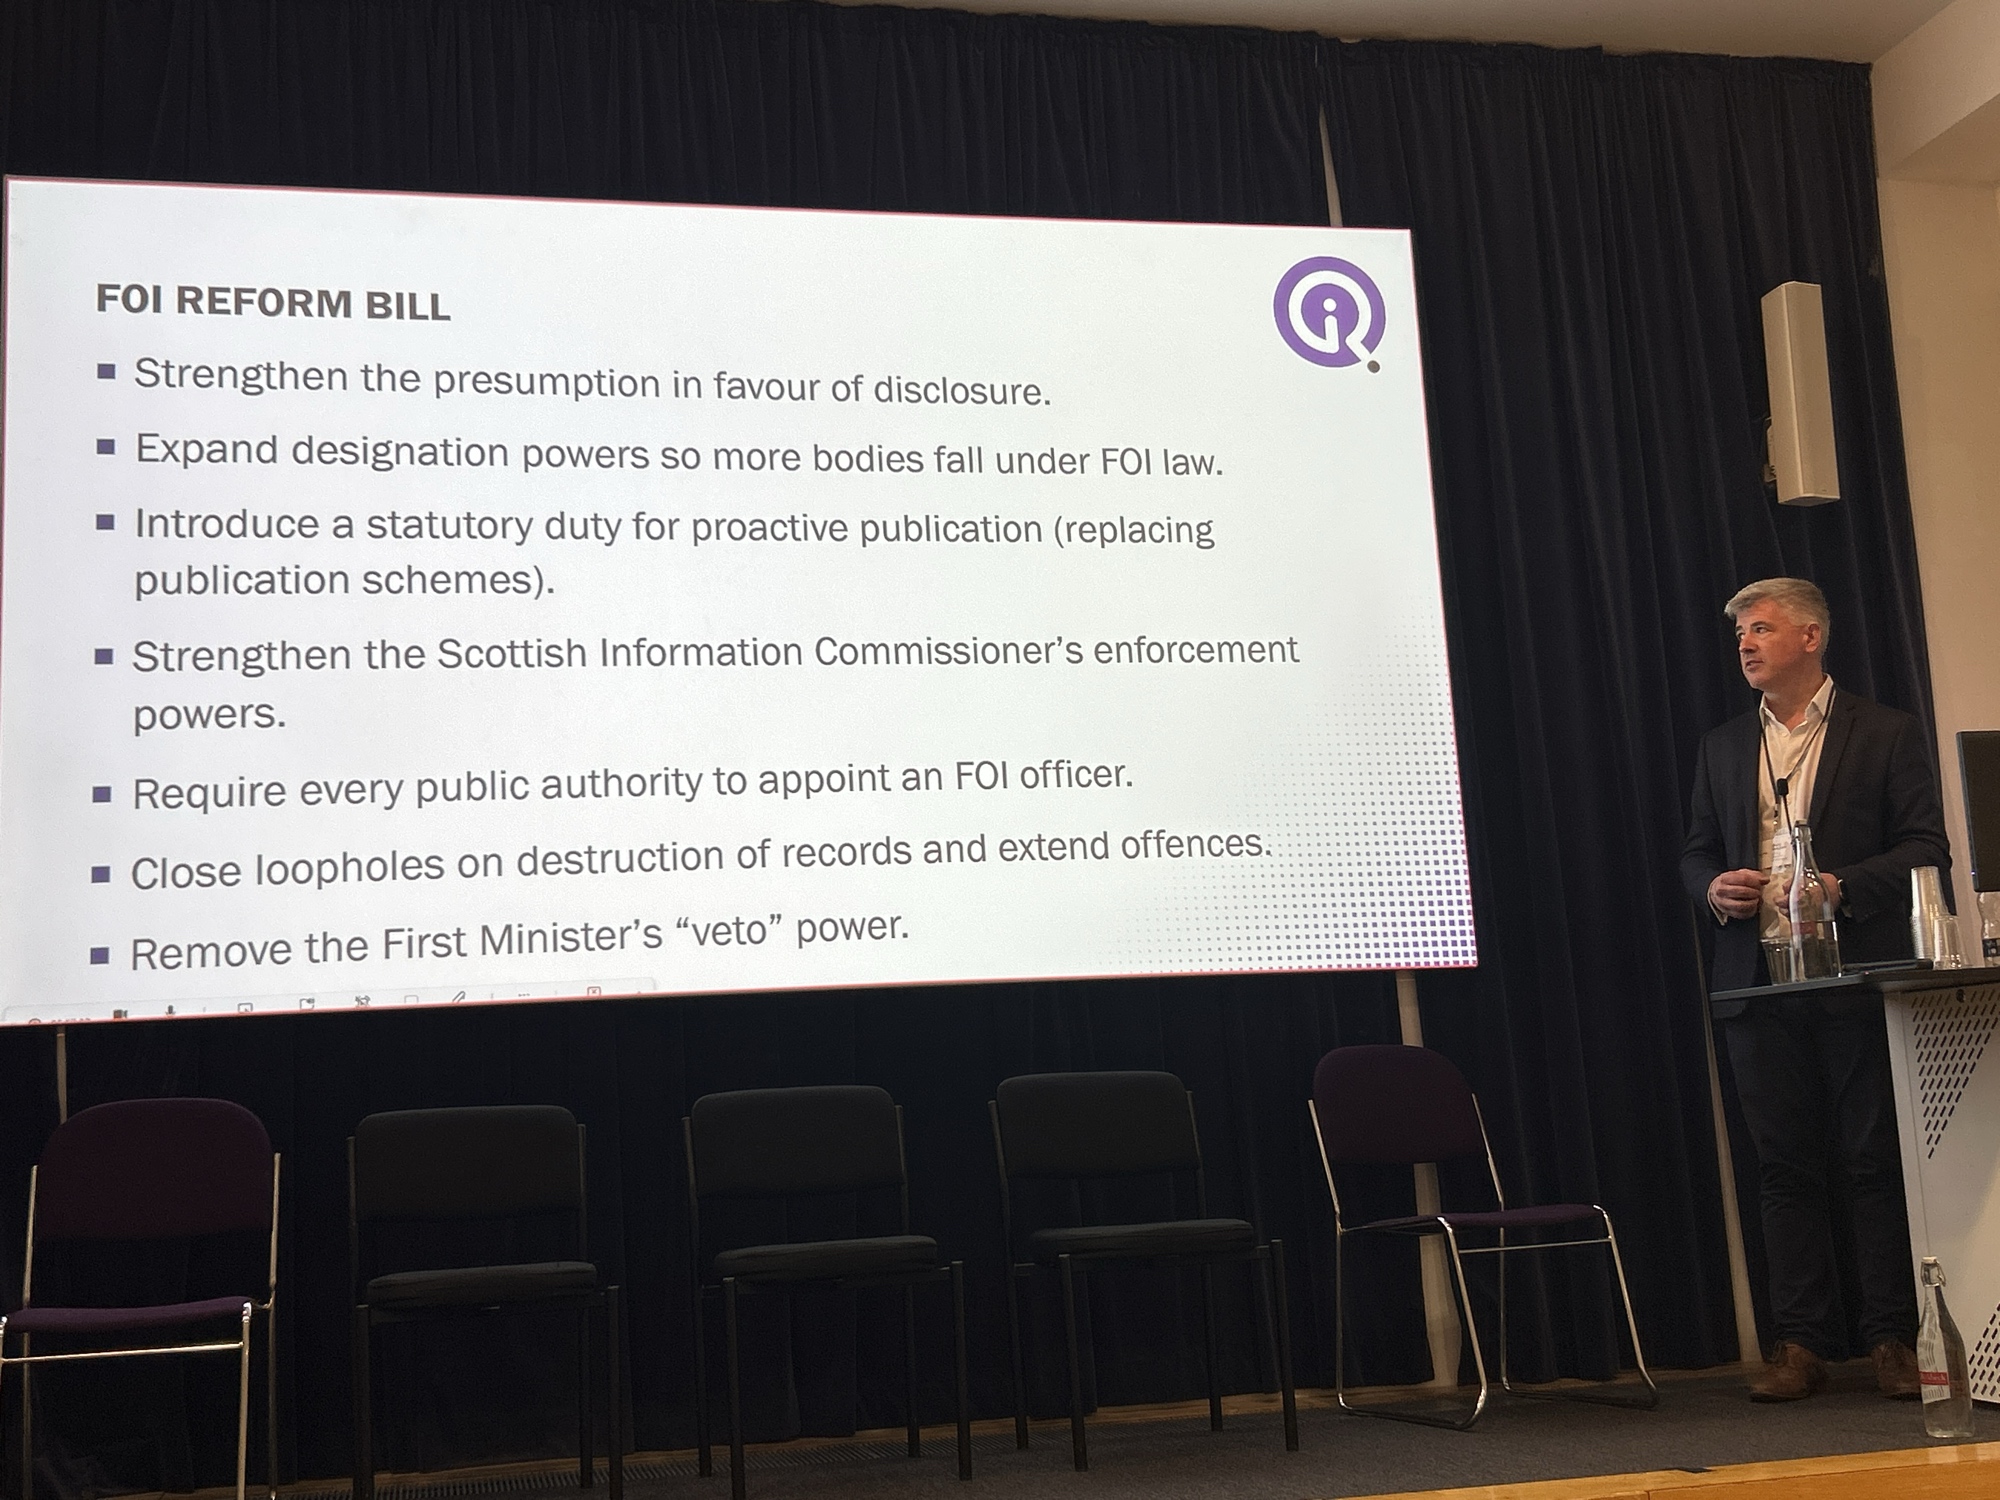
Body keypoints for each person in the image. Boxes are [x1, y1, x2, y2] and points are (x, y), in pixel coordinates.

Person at [1680, 577, 1949, 1402]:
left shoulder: (1885, 732)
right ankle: (1800, 1343)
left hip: (1855, 976)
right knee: (1784, 1167)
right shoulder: (1725, 745)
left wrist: (1841, 887)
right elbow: (1696, 851)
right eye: (1740, 635)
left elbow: (1925, 846)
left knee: (1872, 1161)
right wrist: (1712, 888)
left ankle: (1892, 1338)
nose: (1745, 645)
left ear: (1810, 637)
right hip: (1757, 984)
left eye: (1761, 629)